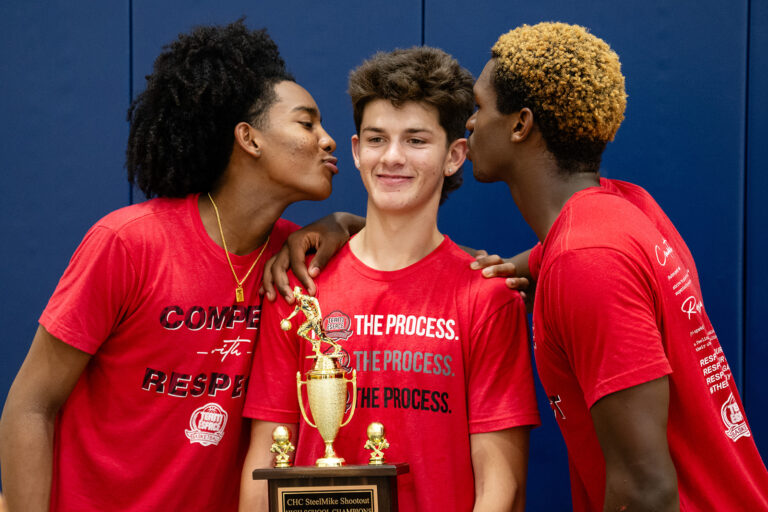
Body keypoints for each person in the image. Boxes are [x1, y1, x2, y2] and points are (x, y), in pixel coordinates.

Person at [0, 20, 359, 511]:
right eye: (307, 122)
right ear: (248, 138)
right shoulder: (127, 243)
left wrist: (339, 223)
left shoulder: (290, 255)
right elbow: (29, 406)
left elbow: (398, 251)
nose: (329, 139)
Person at [464, 21, 768, 511]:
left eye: (478, 108)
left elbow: (647, 492)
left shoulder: (587, 260)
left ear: (521, 125)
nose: (471, 124)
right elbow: (540, 261)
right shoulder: (622, 209)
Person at [239, 47, 540, 512]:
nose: (393, 158)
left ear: (454, 156)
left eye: (416, 140)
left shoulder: (487, 296)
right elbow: (268, 453)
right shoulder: (299, 287)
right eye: (377, 139)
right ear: (357, 151)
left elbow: (501, 482)